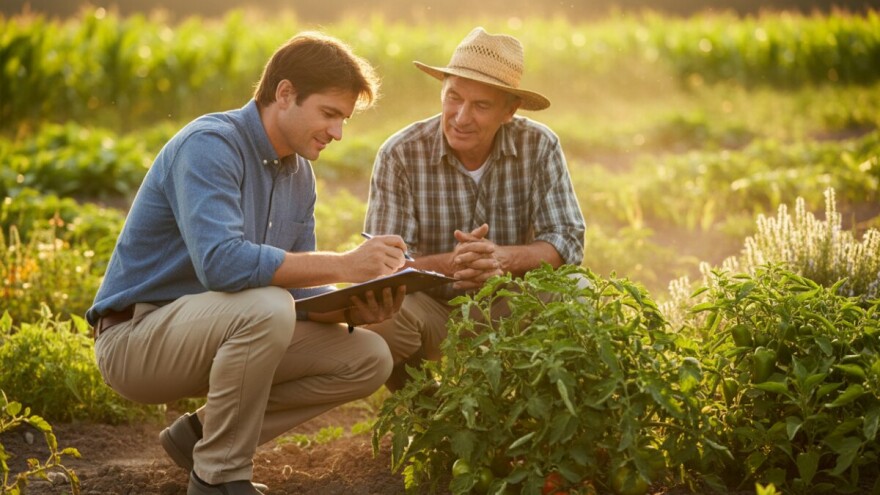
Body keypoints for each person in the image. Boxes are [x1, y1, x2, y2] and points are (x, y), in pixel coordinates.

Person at [87, 32, 409, 495]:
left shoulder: (300, 175)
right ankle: (219, 478)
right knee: (267, 306)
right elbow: (222, 265)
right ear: (285, 94)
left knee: (368, 357)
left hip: (224, 334)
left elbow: (298, 299)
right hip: (138, 340)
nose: (338, 133)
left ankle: (198, 435)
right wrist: (344, 264)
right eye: (329, 113)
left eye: (344, 120)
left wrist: (352, 309)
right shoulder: (210, 145)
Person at [364, 27, 586, 391]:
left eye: (481, 105)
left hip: (512, 305)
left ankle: (529, 406)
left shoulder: (539, 145)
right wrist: (451, 265)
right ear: (442, 90)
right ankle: (425, 409)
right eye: (453, 97)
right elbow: (383, 265)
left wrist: (502, 260)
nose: (461, 117)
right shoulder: (400, 153)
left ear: (509, 110)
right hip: (433, 312)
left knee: (575, 292)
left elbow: (566, 240)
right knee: (379, 316)